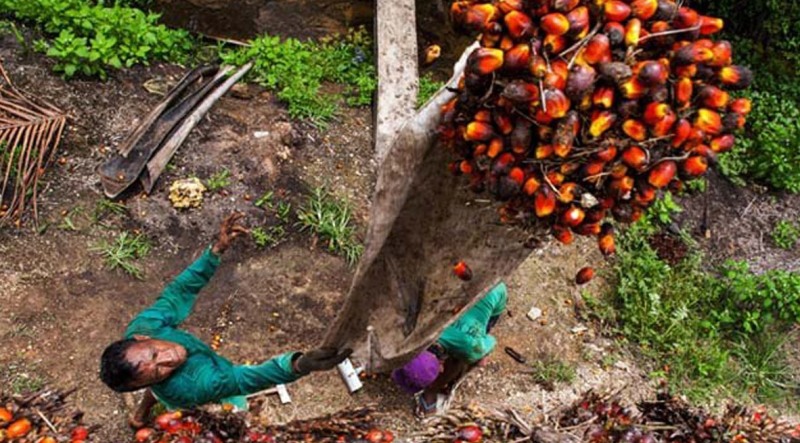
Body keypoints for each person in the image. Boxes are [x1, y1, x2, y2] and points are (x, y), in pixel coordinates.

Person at [99, 213, 351, 427]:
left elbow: (179, 292)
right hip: (186, 394)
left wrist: (215, 251)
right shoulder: (199, 385)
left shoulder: (144, 326)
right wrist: (297, 365)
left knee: (158, 391)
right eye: (158, 371)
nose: (169, 358)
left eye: (155, 353)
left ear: (140, 338)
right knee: (224, 411)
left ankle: (141, 414)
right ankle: (154, 406)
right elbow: (244, 379)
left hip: (161, 384)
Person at [391, 282, 507, 416]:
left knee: (465, 359)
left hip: (495, 288)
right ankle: (432, 391)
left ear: (441, 368)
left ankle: (432, 391)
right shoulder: (416, 324)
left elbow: (491, 340)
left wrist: (479, 354)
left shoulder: (470, 346)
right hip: (465, 283)